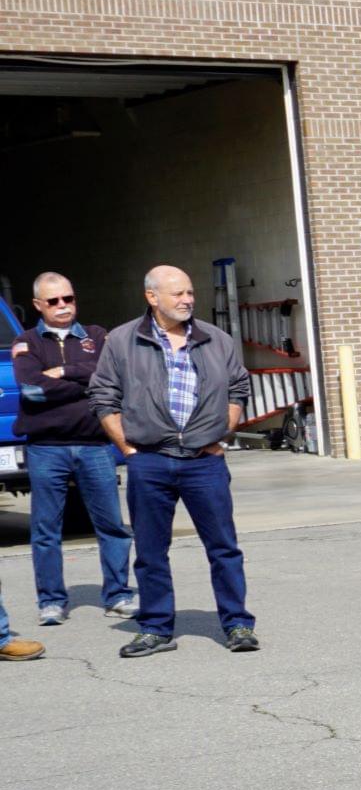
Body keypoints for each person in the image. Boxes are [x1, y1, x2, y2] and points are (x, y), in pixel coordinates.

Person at [90, 265, 257, 657]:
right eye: (178, 294)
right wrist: (128, 449)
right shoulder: (122, 341)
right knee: (150, 552)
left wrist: (222, 434)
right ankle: (156, 628)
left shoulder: (216, 339)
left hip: (204, 462)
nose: (187, 300)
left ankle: (237, 624)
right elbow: (102, 396)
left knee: (223, 548)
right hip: (150, 460)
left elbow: (238, 387)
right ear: (152, 297)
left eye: (189, 293)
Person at [10, 272, 135, 625]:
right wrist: (84, 383)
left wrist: (62, 371)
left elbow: (113, 375)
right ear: (38, 305)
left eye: (69, 298)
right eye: (53, 301)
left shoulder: (97, 336)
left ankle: (118, 595)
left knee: (112, 525)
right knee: (46, 531)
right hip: (46, 449)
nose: (63, 306)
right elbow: (32, 389)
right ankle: (51, 601)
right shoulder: (26, 342)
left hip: (95, 447)